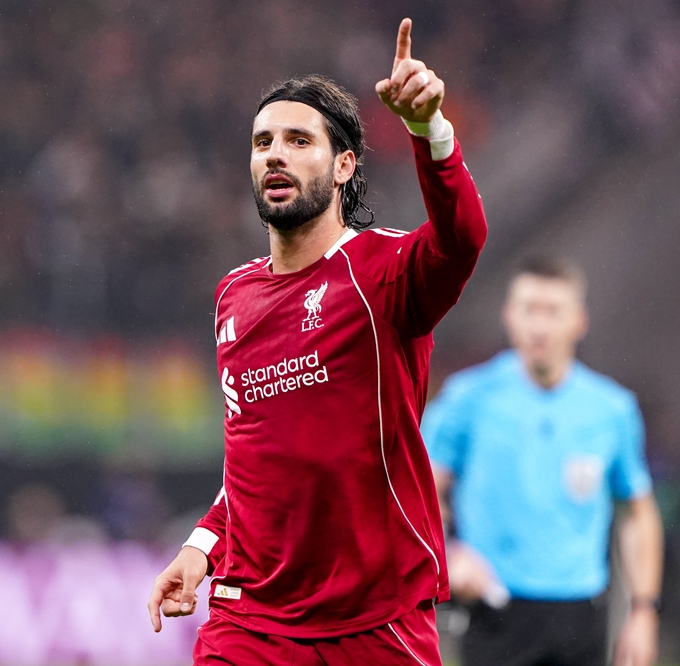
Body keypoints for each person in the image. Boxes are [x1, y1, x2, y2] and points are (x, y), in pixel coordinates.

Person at [147, 18, 488, 665]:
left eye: (299, 140)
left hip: (373, 618)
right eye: (263, 142)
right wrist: (201, 546)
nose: (274, 154)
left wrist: (430, 131)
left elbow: (462, 238)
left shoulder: (384, 271)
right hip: (251, 619)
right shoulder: (234, 295)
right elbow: (252, 457)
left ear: (343, 166)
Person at [422, 256, 663, 666]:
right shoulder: (466, 399)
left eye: (553, 311)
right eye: (529, 309)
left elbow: (637, 513)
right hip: (494, 609)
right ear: (509, 316)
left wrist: (643, 610)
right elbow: (418, 496)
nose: (539, 325)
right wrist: (449, 553)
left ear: (579, 321)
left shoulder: (612, 410)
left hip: (581, 613)